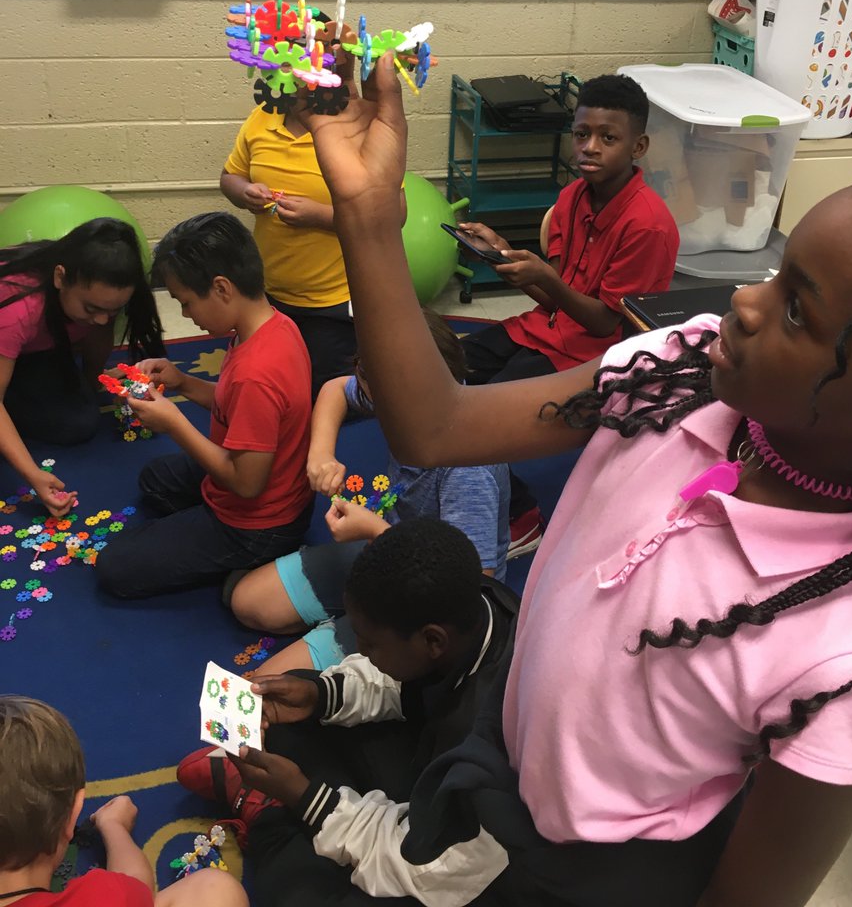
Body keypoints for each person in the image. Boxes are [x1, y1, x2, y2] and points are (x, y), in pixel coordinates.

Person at [287, 53, 852, 906]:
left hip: (583, 868)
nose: (745, 303)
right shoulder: (677, 370)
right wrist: (365, 216)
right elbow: (433, 425)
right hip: (508, 736)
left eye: (796, 308)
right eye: (776, 270)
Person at [177, 519, 520, 904]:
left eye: (369, 642)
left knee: (297, 891)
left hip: (468, 873)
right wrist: (320, 694)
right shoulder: (480, 605)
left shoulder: (495, 759)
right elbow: (403, 681)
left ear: (432, 640)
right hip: (436, 772)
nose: (358, 649)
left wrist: (304, 797)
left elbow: (428, 869)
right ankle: (285, 800)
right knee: (294, 706)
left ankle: (271, 820)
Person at [457, 74, 679, 555]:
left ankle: (522, 515)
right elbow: (554, 302)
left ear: (637, 145)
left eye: (608, 137)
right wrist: (502, 254)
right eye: (582, 135)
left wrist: (547, 279)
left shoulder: (648, 225)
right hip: (544, 332)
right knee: (446, 366)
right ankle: (464, 488)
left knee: (480, 416)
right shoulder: (571, 199)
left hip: (595, 357)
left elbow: (604, 324)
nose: (590, 148)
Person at [227, 309, 510, 669]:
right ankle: (347, 619)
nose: (366, 395)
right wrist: (321, 456)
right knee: (248, 603)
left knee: (269, 684)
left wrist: (375, 531)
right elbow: (335, 390)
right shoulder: (406, 392)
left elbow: (469, 590)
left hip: (430, 601)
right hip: (389, 549)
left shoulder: (468, 470)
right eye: (363, 377)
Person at [95, 212, 313, 599]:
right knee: (154, 478)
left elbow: (247, 484)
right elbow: (239, 408)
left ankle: (257, 560)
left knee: (115, 567)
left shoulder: (256, 372)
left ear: (222, 288)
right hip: (275, 481)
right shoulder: (274, 326)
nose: (185, 315)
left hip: (258, 523)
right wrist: (183, 382)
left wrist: (175, 423)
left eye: (187, 302)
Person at [0, 694, 248, 907]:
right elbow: (135, 885)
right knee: (215, 888)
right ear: (73, 813)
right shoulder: (105, 897)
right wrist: (113, 826)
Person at [0, 218, 163, 517]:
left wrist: (92, 382)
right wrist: (31, 474)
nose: (103, 320)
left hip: (30, 353)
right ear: (60, 277)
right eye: (91, 309)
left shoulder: (101, 292)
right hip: (10, 341)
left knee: (79, 421)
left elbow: (98, 338)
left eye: (112, 311)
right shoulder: (18, 308)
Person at [220, 66, 358, 400]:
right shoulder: (262, 116)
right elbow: (229, 177)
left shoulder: (354, 129)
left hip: (332, 301)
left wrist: (321, 216)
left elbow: (392, 215)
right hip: (266, 294)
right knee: (258, 389)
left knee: (326, 398)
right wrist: (245, 192)